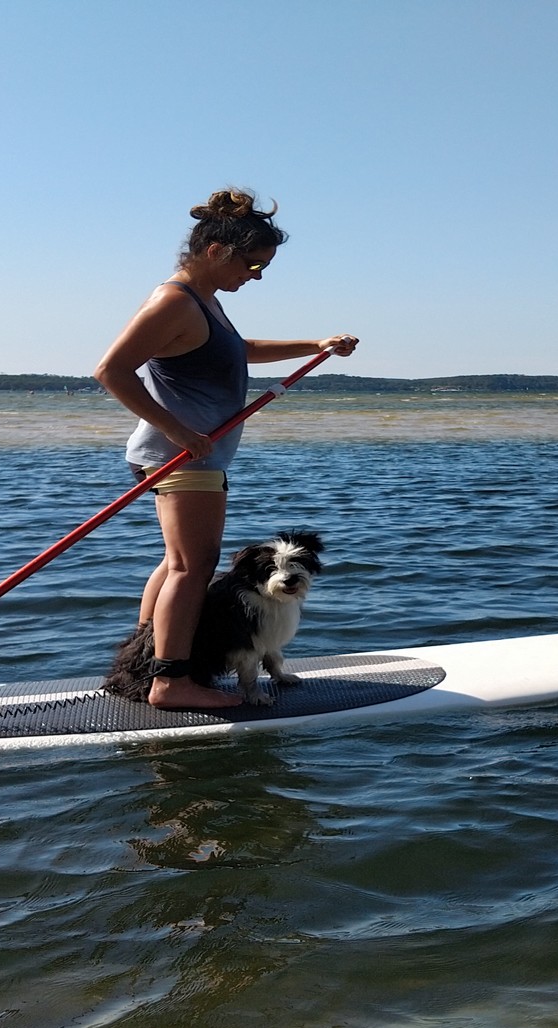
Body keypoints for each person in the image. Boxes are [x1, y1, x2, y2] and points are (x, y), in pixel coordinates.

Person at [94, 188, 357, 710]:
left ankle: (147, 661)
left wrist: (315, 345)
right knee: (194, 567)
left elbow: (240, 351)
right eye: (253, 263)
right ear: (217, 248)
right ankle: (170, 681)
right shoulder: (173, 300)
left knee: (178, 564)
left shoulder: (204, 303)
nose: (255, 276)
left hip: (191, 455)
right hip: (182, 456)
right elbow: (111, 371)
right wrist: (177, 430)